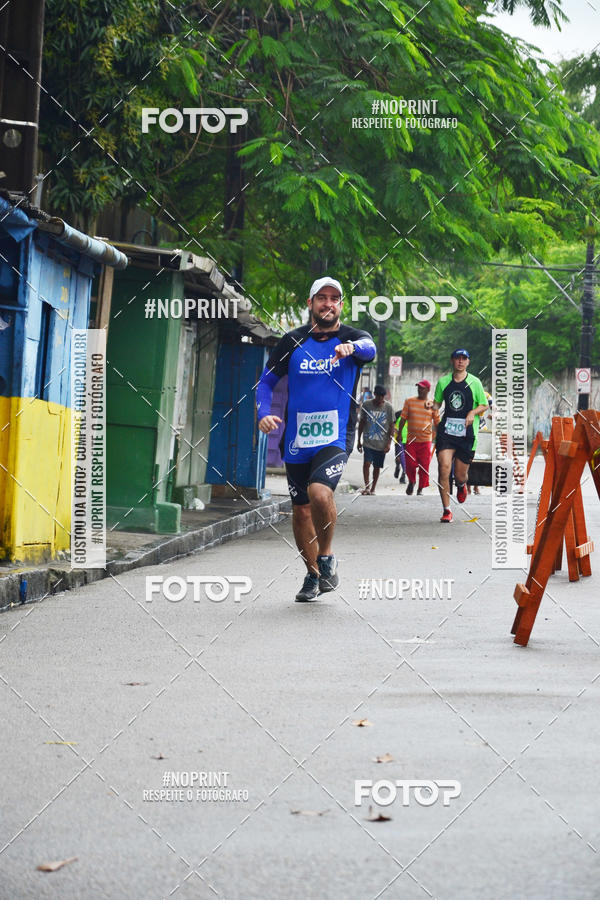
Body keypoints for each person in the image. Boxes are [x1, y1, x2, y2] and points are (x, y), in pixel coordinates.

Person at [256, 276, 376, 601]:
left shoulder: (353, 338)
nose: (328, 303)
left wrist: (352, 348)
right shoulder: (292, 341)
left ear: (341, 305)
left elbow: (370, 349)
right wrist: (263, 412)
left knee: (320, 493)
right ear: (310, 304)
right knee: (301, 511)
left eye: (334, 298)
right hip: (297, 439)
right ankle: (312, 575)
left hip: (335, 435)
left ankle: (326, 556)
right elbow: (265, 383)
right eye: (321, 298)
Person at [433, 349, 488, 523]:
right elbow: (437, 404)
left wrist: (472, 412)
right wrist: (430, 405)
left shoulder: (475, 382)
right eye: (457, 358)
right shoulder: (443, 382)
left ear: (468, 362)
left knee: (460, 475)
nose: (460, 361)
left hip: (467, 434)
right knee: (443, 467)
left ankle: (462, 484)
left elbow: (484, 405)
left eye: (464, 358)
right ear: (452, 361)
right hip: (447, 432)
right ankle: (447, 510)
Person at [396, 379, 440, 495]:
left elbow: (437, 422)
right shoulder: (409, 401)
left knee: (424, 466)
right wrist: (399, 433)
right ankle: (412, 481)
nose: (419, 390)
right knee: (410, 463)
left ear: (428, 390)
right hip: (411, 440)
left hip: (426, 441)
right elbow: (403, 418)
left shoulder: (432, 405)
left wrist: (439, 436)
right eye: (418, 387)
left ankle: (420, 488)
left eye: (422, 388)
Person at [357, 385, 394, 495]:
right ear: (375, 395)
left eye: (382, 397)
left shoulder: (389, 408)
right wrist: (358, 440)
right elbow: (362, 422)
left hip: (381, 444)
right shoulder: (366, 405)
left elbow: (392, 426)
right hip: (368, 442)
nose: (380, 399)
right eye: (378, 396)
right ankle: (367, 487)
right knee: (367, 464)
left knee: (377, 467)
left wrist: (389, 443)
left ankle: (373, 488)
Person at [393, 411, 407, 483]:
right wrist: (396, 430)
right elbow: (392, 424)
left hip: (408, 440)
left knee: (405, 459)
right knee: (398, 458)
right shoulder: (398, 414)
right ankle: (397, 466)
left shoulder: (413, 415)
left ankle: (403, 475)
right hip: (398, 439)